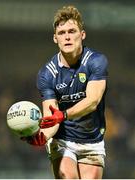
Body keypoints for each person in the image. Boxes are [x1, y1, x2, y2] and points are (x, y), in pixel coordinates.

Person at [22, 5, 108, 179]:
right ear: (55, 38)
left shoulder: (96, 61)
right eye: (61, 33)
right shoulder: (47, 73)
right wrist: (43, 136)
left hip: (92, 139)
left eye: (72, 31)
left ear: (82, 35)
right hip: (63, 140)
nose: (67, 37)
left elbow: (93, 101)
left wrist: (63, 115)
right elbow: (51, 117)